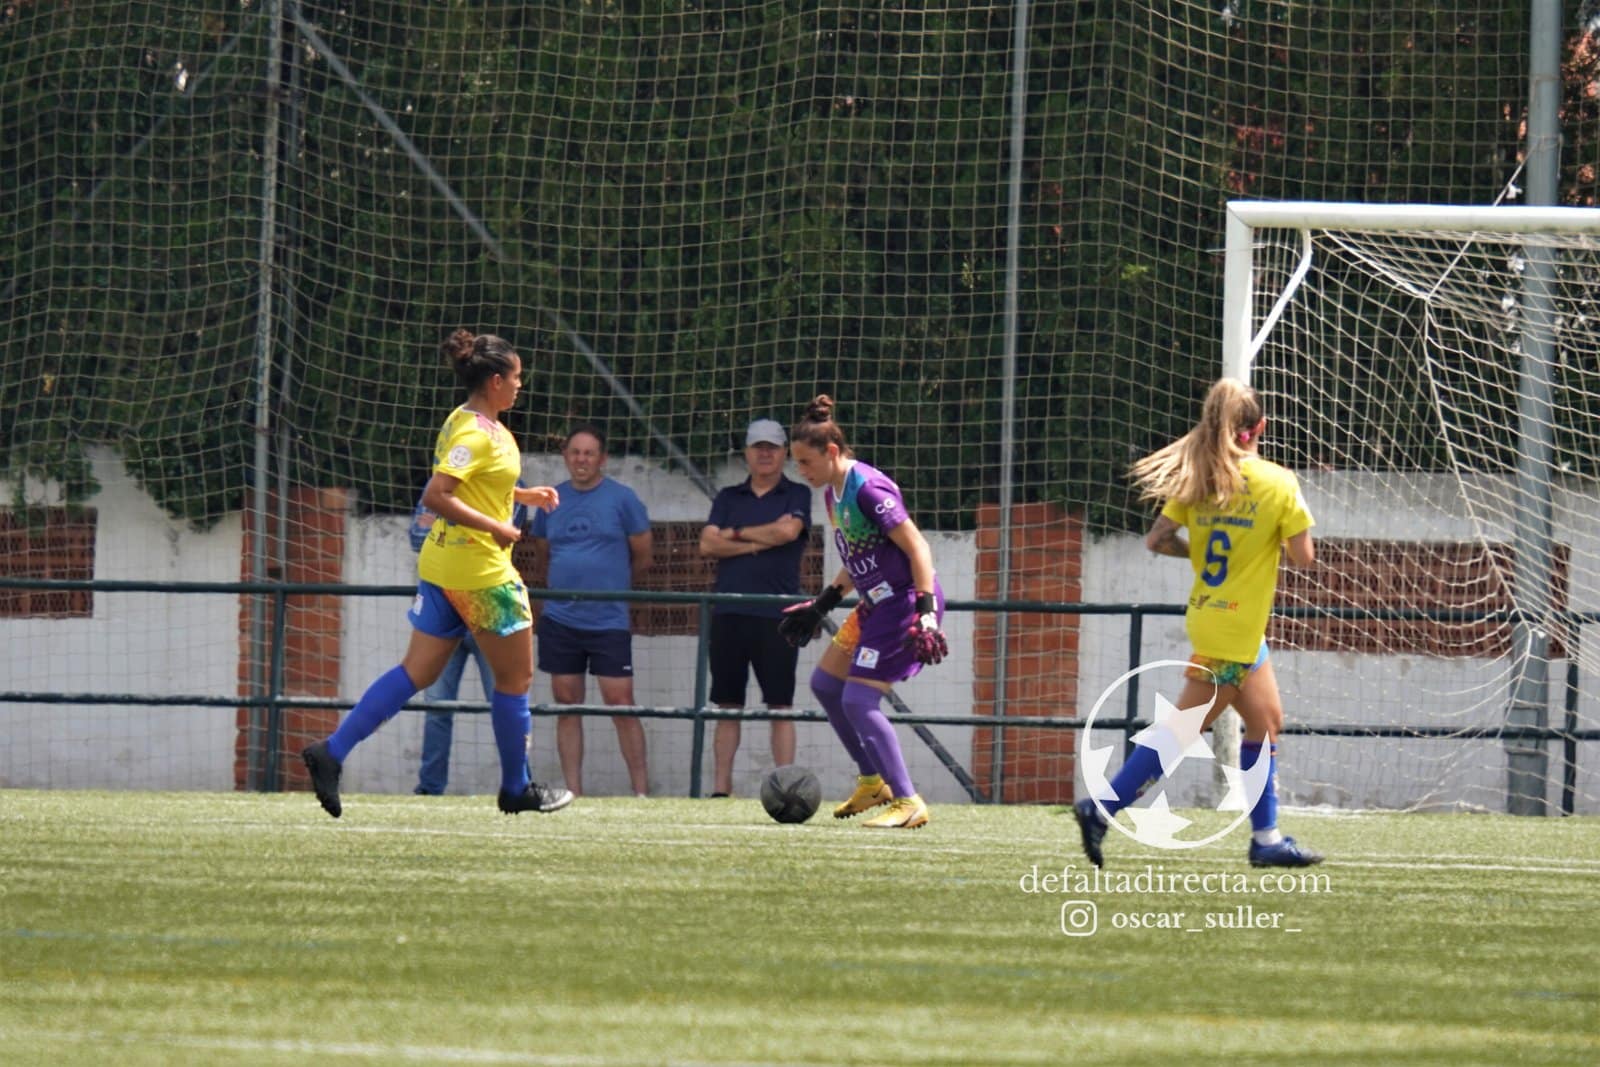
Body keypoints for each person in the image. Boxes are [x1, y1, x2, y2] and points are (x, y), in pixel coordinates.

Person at [299, 329, 573, 818]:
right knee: (515, 680)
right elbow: (437, 495)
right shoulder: (474, 433)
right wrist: (499, 526)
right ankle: (516, 788)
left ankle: (331, 752)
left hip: (443, 569)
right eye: (516, 378)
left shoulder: (467, 420)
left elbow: (473, 487)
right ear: (494, 381)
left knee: (417, 672)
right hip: (481, 574)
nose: (519, 386)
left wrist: (522, 498)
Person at [1073, 377, 1323, 868]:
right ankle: (1101, 809)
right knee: (1182, 732)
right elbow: (1304, 557)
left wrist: (1205, 552)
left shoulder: (1200, 481)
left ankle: (1267, 839)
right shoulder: (1278, 482)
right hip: (1237, 628)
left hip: (1218, 618)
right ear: (1259, 429)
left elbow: (1158, 539)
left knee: (1266, 722)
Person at [777, 395, 948, 830]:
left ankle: (908, 801)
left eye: (804, 461)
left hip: (904, 603)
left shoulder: (868, 489)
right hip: (875, 603)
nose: (801, 470)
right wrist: (823, 604)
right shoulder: (833, 494)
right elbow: (859, 558)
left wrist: (925, 612)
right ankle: (873, 783)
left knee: (859, 698)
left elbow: (918, 548)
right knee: (825, 685)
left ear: (831, 452)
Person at [528, 423, 653, 797]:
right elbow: (542, 552)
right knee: (568, 705)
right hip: (560, 619)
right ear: (566, 457)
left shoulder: (623, 499)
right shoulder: (550, 500)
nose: (581, 459)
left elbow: (643, 553)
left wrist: (612, 586)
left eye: (589, 453)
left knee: (622, 704)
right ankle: (573, 793)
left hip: (608, 621)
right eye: (575, 452)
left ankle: (641, 793)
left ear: (603, 459)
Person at [698, 417, 813, 797]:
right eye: (758, 447)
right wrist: (756, 542)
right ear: (746, 452)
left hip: (779, 615)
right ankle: (720, 791)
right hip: (730, 613)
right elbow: (707, 545)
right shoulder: (728, 498)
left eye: (772, 447)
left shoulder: (797, 494)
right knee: (727, 704)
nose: (765, 453)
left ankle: (786, 789)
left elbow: (788, 532)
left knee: (781, 704)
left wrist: (734, 534)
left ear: (784, 453)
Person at [408, 479, 529, 796]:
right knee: (436, 705)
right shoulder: (440, 483)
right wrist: (473, 523)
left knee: (506, 700)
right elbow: (417, 536)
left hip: (488, 604)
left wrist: (451, 522)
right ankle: (430, 788)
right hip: (444, 605)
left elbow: (499, 537)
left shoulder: (512, 486)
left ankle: (520, 784)